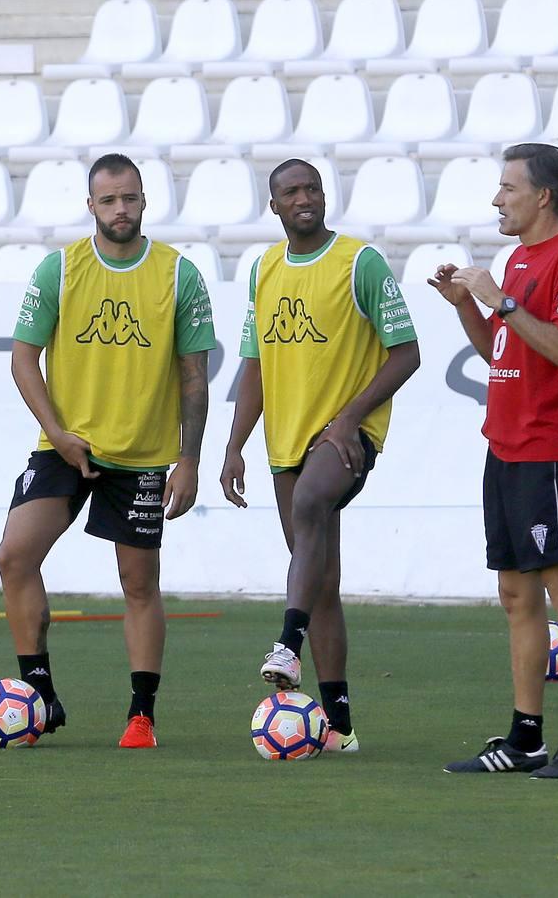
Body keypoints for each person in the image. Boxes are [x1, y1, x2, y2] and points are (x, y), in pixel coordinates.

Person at [0, 153, 213, 750]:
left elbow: (195, 377)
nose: (121, 209)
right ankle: (39, 692)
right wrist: (57, 432)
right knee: (14, 556)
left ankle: (141, 715)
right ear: (90, 205)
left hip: (142, 456)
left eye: (130, 198)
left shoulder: (178, 275)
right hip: (65, 447)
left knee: (138, 582)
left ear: (145, 201)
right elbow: (22, 357)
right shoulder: (59, 271)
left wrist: (188, 459)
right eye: (109, 200)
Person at [221, 159, 420, 753]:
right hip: (285, 441)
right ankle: (341, 726)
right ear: (274, 205)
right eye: (290, 192)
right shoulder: (264, 268)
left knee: (312, 503)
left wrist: (352, 417)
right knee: (320, 578)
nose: (303, 198)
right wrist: (234, 446)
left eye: (311, 188)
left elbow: (406, 353)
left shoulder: (360, 262)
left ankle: (287, 644)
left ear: (324, 197)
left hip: (345, 437)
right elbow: (253, 366)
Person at [432, 143, 558, 779]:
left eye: (508, 188)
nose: (497, 199)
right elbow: (502, 354)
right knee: (515, 592)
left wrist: (501, 298)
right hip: (505, 444)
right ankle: (526, 736)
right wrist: (467, 307)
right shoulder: (517, 261)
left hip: (552, 448)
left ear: (545, 196)